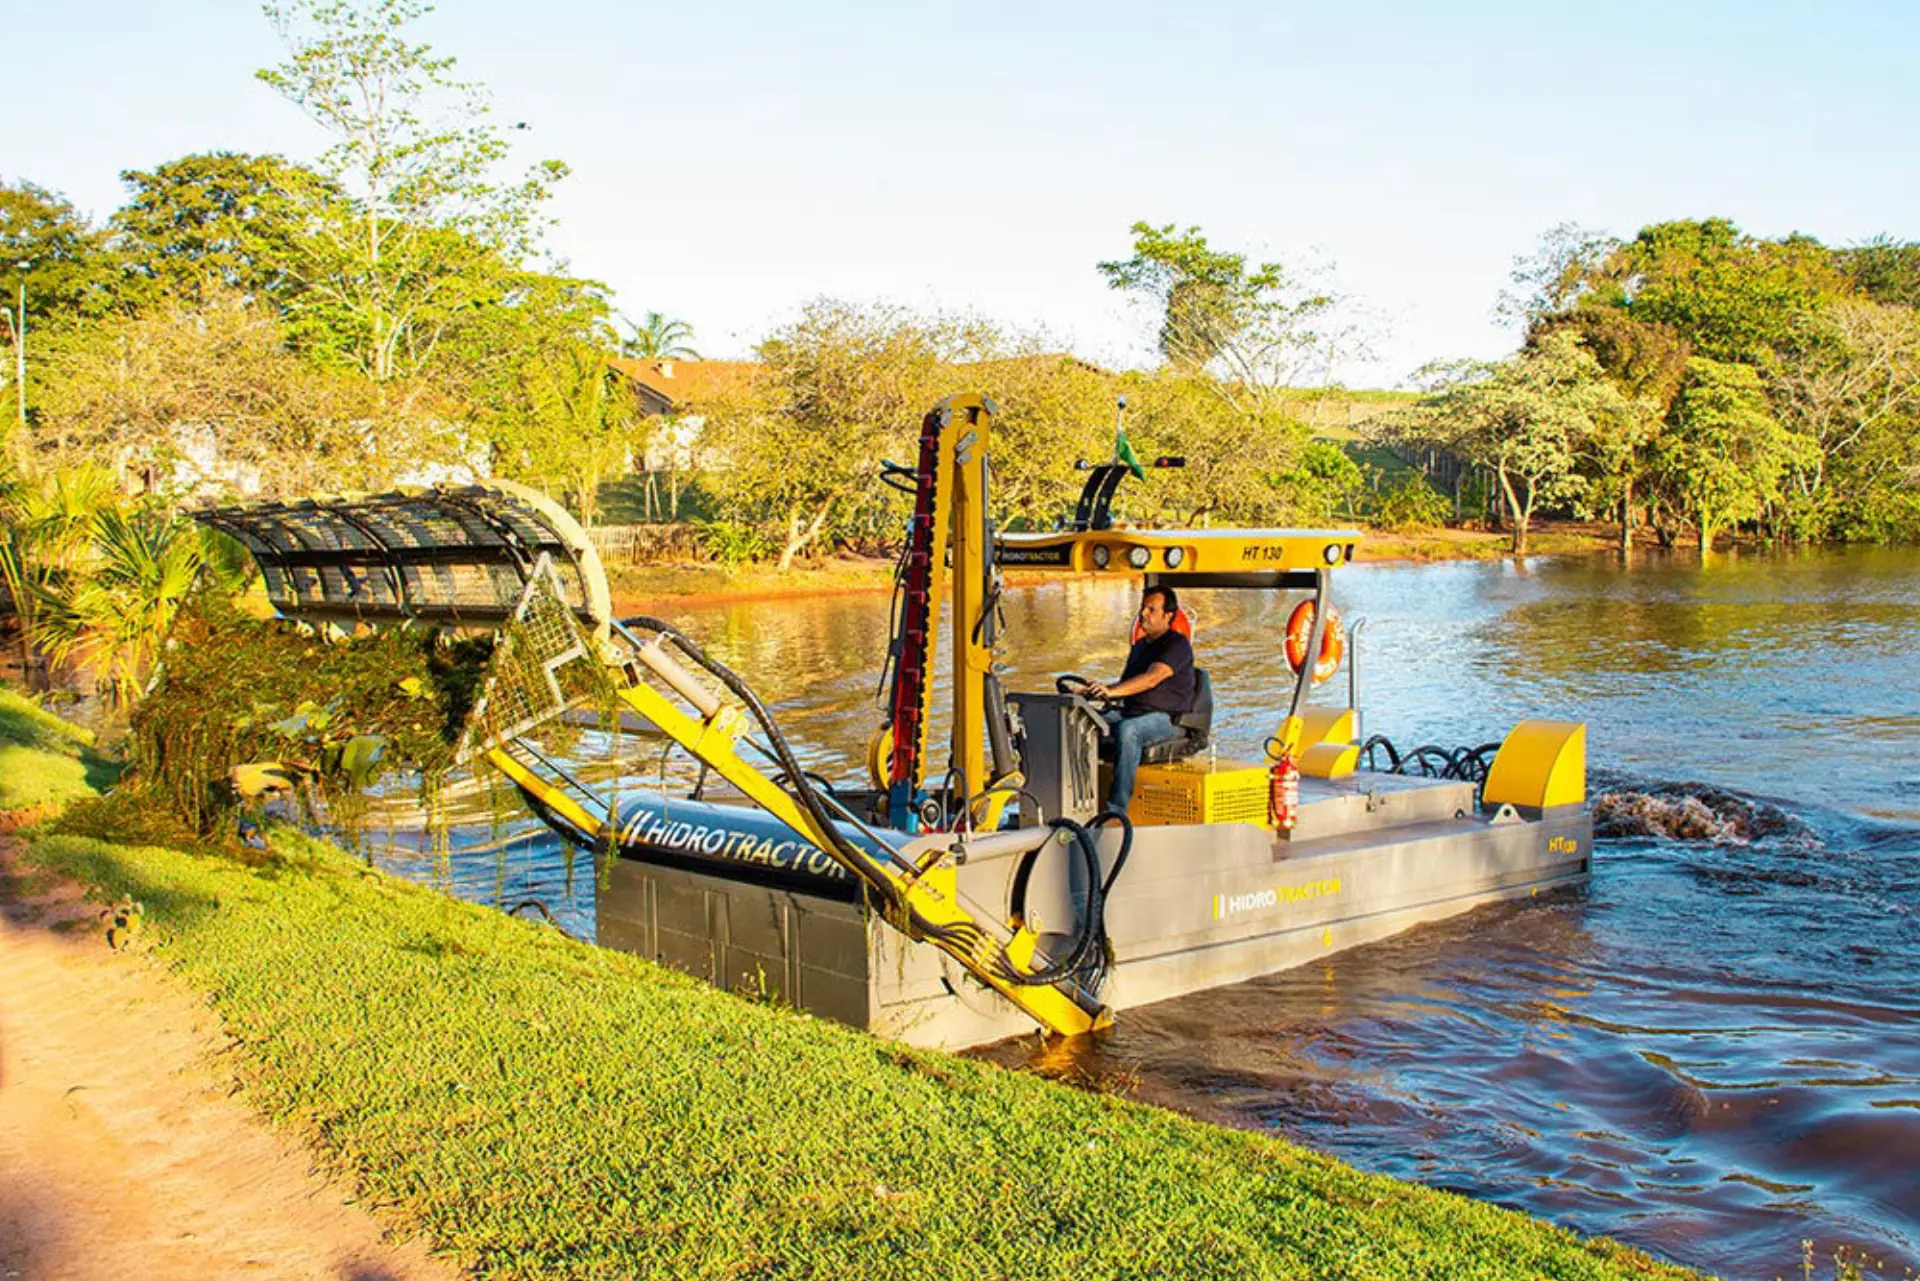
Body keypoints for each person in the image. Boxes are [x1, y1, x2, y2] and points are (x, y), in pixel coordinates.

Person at [1086, 585, 1196, 814]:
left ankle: (1117, 810)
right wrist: (1093, 691)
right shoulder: (1139, 647)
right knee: (1081, 720)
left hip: (1166, 720)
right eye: (1143, 608)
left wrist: (1110, 691)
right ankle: (1079, 798)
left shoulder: (1177, 645)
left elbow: (1151, 678)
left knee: (1128, 730)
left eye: (1151, 609)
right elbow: (1126, 685)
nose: (1143, 614)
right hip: (1131, 711)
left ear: (1168, 616)